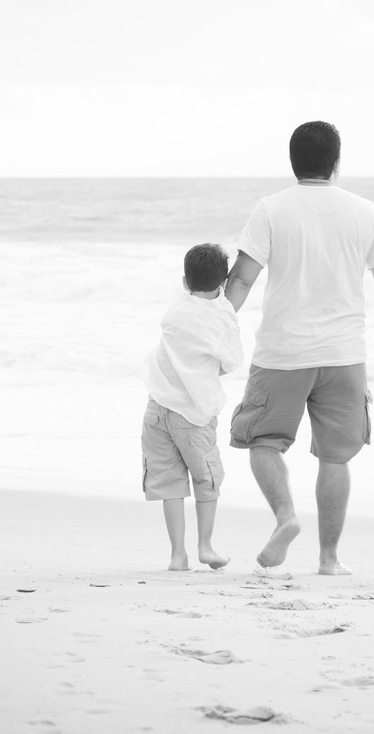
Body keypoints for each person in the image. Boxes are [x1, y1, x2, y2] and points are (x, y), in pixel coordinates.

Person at [224, 121, 374, 575]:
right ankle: (329, 560)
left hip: (282, 352)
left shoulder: (270, 209)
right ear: (336, 162)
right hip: (343, 354)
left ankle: (286, 517)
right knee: (336, 456)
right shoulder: (364, 210)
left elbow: (241, 279)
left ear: (293, 163)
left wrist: (213, 330)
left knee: (261, 441)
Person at [140, 243, 243, 571]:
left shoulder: (173, 313)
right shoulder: (222, 316)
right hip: (193, 416)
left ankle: (177, 555)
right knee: (206, 480)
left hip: (157, 408)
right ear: (223, 284)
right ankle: (205, 546)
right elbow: (233, 361)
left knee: (170, 483)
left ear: (185, 282)